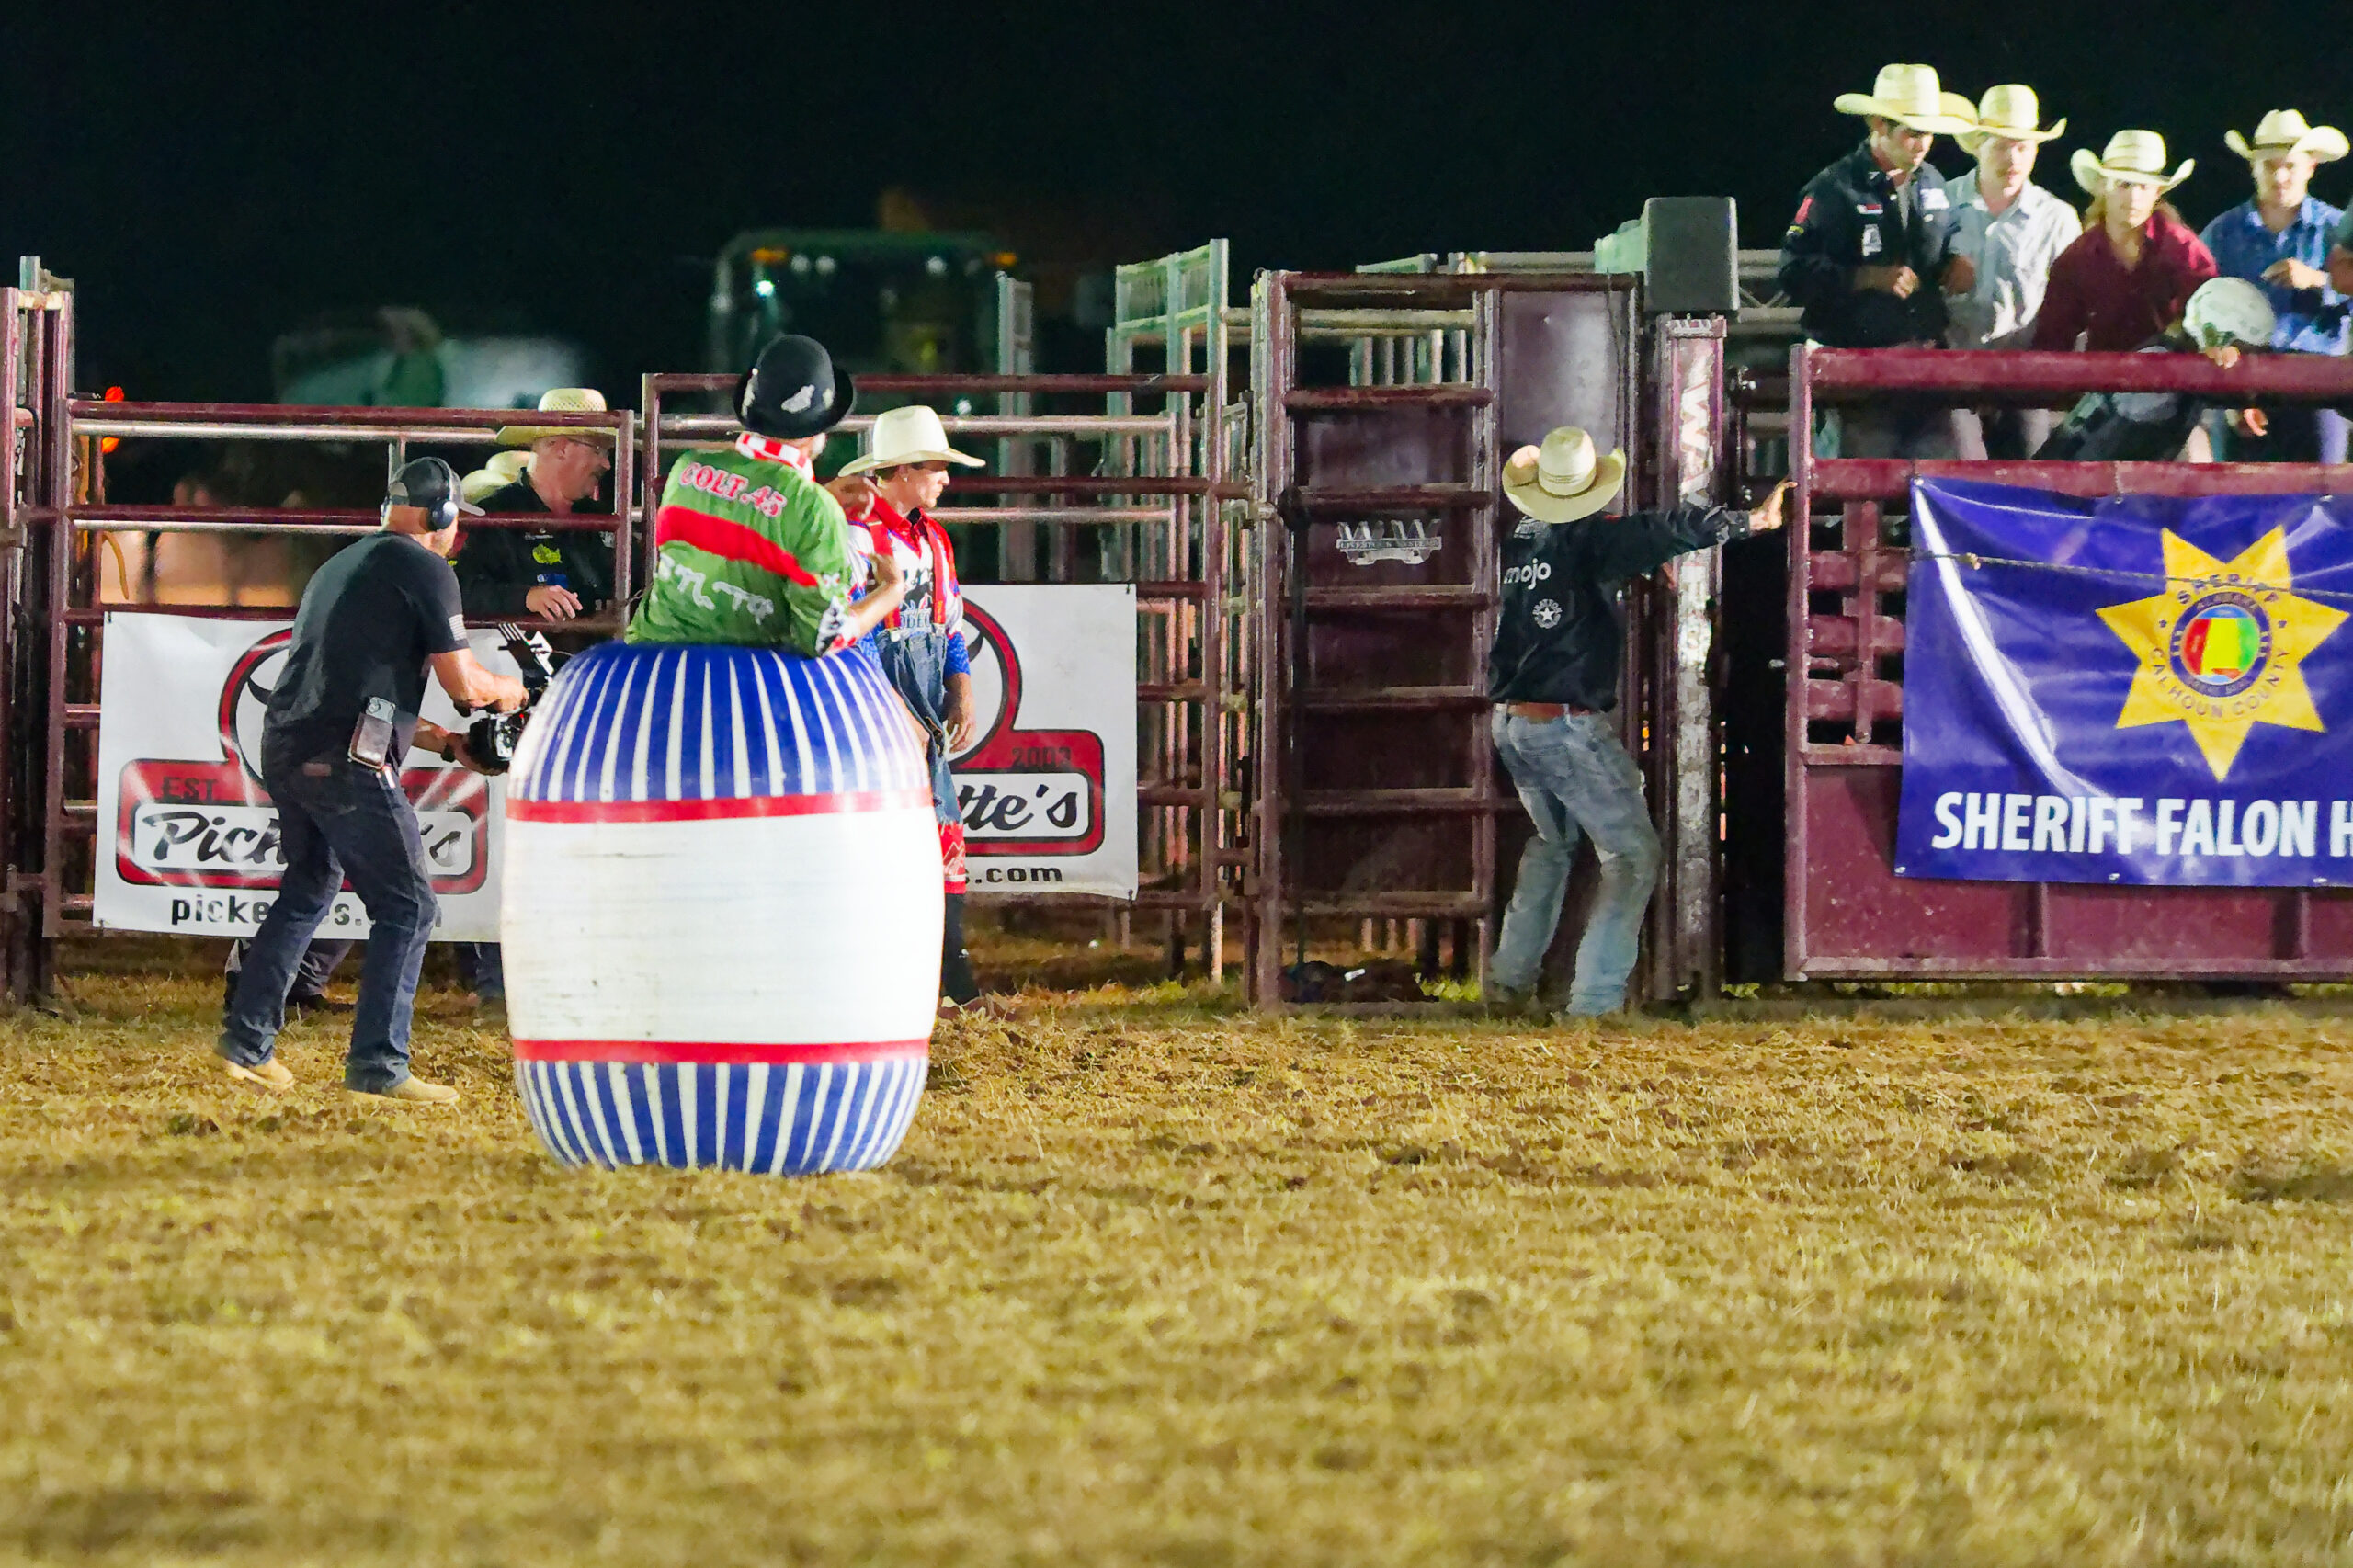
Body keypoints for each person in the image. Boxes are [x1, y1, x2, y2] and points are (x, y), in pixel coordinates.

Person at [215, 457, 528, 1101]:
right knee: (408, 906)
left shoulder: (341, 566)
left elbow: (352, 684)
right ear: (439, 514)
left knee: (307, 890)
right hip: (345, 758)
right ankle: (378, 1066)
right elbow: (465, 684)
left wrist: (443, 744)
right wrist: (510, 690)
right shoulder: (425, 567)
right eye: (454, 523)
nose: (455, 536)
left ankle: (245, 1046)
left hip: (291, 743)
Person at [1484, 427, 1789, 1017]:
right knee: (1632, 856)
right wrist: (1751, 521)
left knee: (1553, 843)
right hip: (1564, 726)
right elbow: (1661, 530)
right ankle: (1594, 1003)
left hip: (1515, 724)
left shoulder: (1525, 538)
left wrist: (1627, 574)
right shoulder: (1595, 542)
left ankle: (1508, 982)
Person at [834, 405, 987, 1008]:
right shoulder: (855, 535)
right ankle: (942, 983)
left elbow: (950, 621)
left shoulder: (933, 538)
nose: (944, 479)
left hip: (914, 692)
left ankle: (948, 980)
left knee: (940, 832)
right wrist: (889, 701)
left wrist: (962, 682)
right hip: (879, 691)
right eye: (933, 468)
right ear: (898, 472)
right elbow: (848, 624)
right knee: (894, 833)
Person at [629, 333, 906, 653]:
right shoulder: (812, 510)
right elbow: (822, 638)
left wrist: (818, 501)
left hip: (650, 659)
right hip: (742, 680)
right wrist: (891, 590)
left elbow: (743, 510)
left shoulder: (687, 467)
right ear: (820, 429)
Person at [1779, 63, 1975, 458]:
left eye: (1929, 133)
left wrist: (1955, 262)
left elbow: (1945, 241)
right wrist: (1865, 277)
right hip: (1859, 373)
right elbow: (1792, 273)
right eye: (1912, 131)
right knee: (1865, 483)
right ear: (1877, 125)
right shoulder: (1834, 188)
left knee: (1955, 469)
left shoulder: (1933, 182)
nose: (1922, 144)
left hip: (1924, 366)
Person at [2199, 110, 2350, 463]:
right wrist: (2234, 400)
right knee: (2236, 501)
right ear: (2254, 169)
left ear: (2311, 166)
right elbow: (2202, 311)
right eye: (2269, 166)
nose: (2280, 176)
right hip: (2242, 380)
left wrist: (2319, 280)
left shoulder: (2337, 229)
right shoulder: (2222, 232)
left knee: (2321, 494)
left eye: (2291, 165)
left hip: (2318, 384)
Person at [1942, 85, 2082, 457]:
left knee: (2033, 478)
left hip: (2023, 376)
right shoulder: (1939, 203)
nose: (2014, 158)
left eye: (2024, 146)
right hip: (1952, 374)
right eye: (2002, 145)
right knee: (1964, 470)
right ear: (1979, 146)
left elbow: (2071, 307)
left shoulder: (2058, 219)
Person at [2035, 277, 2276, 461]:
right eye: (2243, 351)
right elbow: (2111, 460)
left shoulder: (2174, 358)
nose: (2246, 364)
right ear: (2217, 337)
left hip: (2068, 493)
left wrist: (2238, 404)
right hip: (2063, 505)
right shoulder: (2159, 375)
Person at [2032, 131, 2216, 353]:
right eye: (2124, 184)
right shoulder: (2076, 259)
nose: (2133, 197)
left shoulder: (2183, 250)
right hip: (2100, 383)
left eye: (2144, 186)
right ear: (2103, 187)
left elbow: (2214, 318)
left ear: (2157, 193)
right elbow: (2053, 340)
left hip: (2174, 383)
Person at [453, 388, 615, 623]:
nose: (606, 463)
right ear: (563, 448)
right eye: (598, 450)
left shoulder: (604, 519)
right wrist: (526, 598)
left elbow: (640, 584)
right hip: (526, 655)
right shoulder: (496, 517)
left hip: (600, 653)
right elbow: (460, 590)